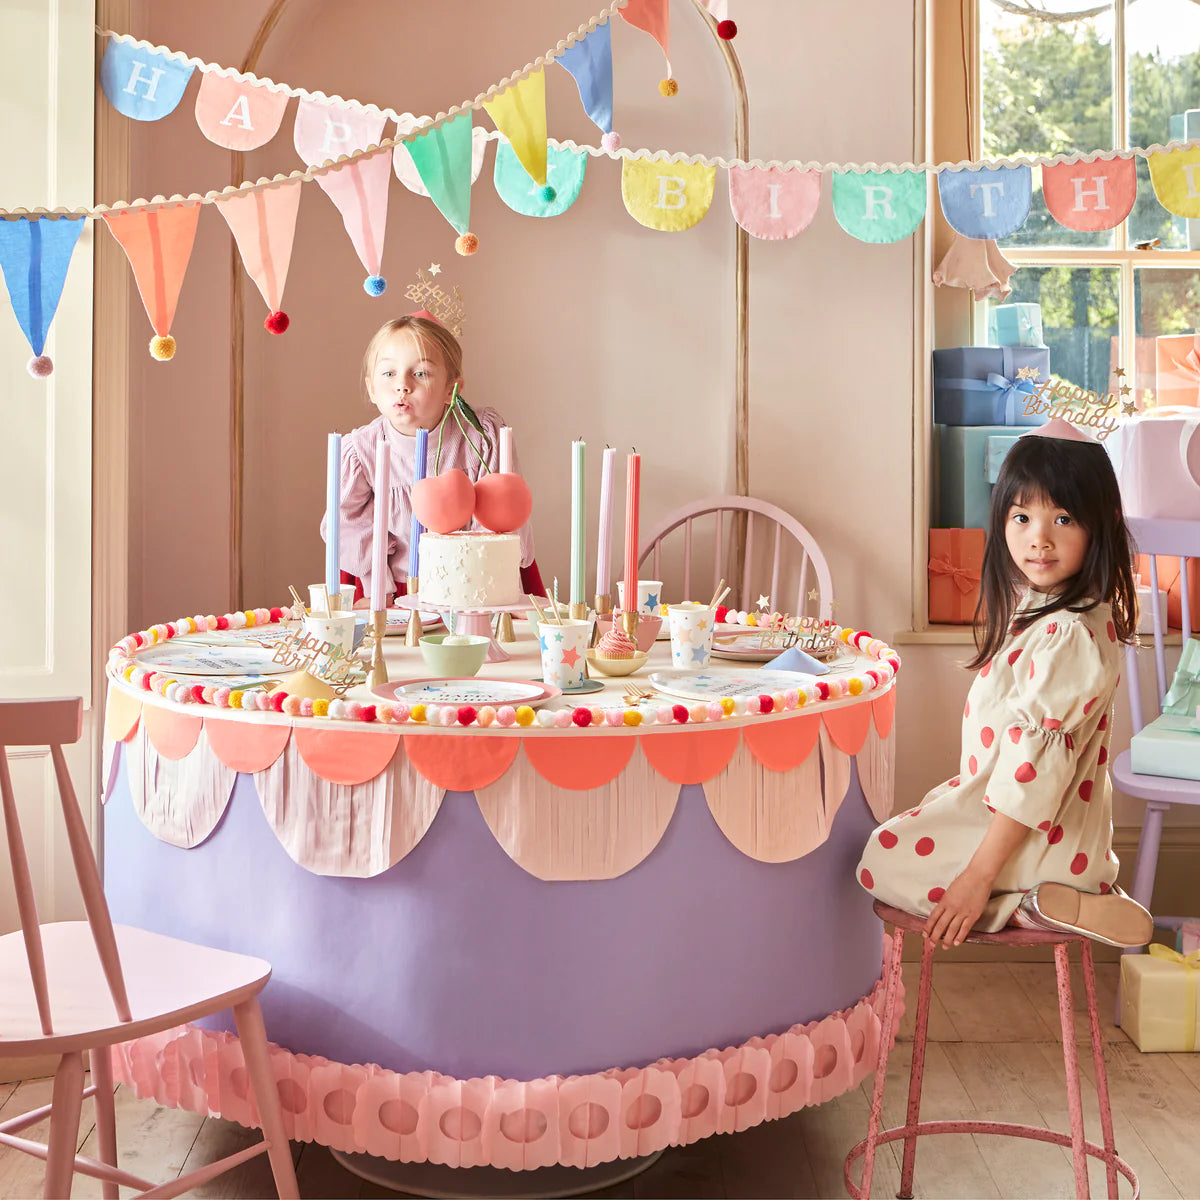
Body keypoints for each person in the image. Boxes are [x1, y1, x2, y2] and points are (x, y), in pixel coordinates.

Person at [858, 418, 1153, 950]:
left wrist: (977, 877)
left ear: (1101, 525)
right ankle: (1049, 899)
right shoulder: (1061, 613)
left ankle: (1032, 904)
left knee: (882, 858)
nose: (1038, 539)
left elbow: (1034, 773)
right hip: (1052, 830)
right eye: (1022, 517)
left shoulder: (1065, 634)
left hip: (1035, 837)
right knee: (909, 831)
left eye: (1063, 518)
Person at [321, 313, 543, 603]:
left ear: (452, 390)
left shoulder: (481, 434)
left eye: (421, 373)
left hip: (477, 585)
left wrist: (479, 582)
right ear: (372, 388)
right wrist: (380, 588)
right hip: (397, 588)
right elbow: (348, 524)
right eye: (389, 373)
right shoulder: (362, 450)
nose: (402, 385)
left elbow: (500, 513)